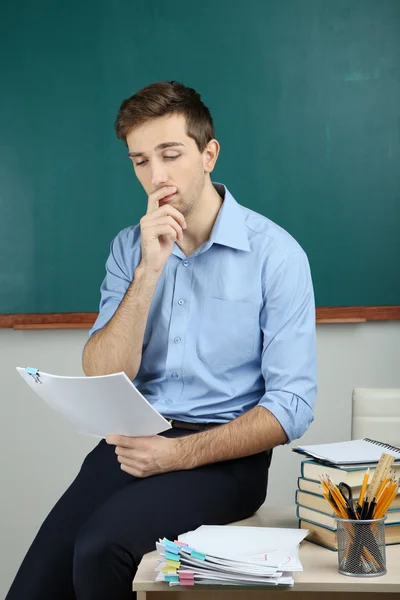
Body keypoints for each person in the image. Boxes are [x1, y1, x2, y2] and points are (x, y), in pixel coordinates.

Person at [6, 81, 317, 600]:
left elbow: (292, 407)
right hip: (132, 443)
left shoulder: (277, 257)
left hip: (224, 458)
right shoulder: (130, 248)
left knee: (100, 548)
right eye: (141, 161)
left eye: (171, 155)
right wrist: (150, 270)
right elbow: (103, 370)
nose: (157, 177)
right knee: (35, 587)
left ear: (208, 154)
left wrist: (175, 456)